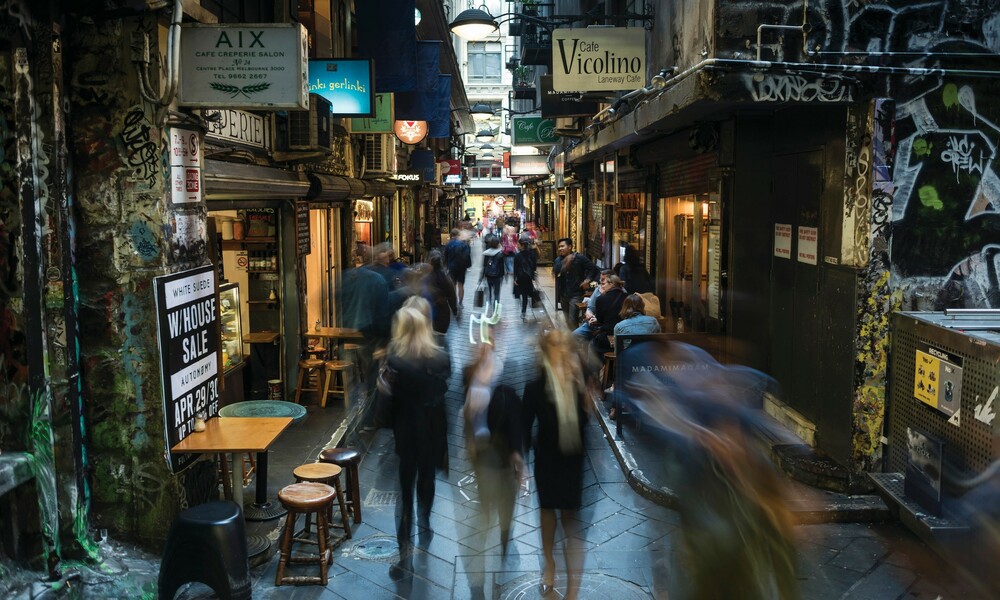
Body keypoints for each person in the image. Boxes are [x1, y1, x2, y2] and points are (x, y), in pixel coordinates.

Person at [522, 328, 590, 600]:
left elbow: (584, 421)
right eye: (557, 345)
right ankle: (549, 562)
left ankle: (572, 591)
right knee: (548, 511)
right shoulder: (536, 386)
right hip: (548, 457)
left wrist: (586, 401)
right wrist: (520, 461)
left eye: (566, 345)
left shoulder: (578, 378)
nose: (563, 350)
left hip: (573, 456)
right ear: (547, 351)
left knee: (570, 517)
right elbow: (525, 426)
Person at [385, 305, 450, 580]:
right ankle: (425, 520)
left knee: (405, 490)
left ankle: (404, 556)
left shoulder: (395, 360)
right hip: (433, 430)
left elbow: (387, 406)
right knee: (427, 480)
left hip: (406, 431)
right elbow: (445, 389)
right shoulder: (440, 357)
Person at [553, 238, 598, 327]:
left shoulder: (579, 258)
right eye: (559, 247)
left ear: (569, 247)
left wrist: (587, 280)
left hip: (576, 294)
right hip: (563, 294)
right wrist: (565, 262)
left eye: (562, 246)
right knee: (567, 321)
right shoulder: (558, 260)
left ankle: (575, 339)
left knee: (572, 320)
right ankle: (574, 338)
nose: (560, 249)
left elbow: (593, 268)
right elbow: (556, 272)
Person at [421, 250, 459, 335]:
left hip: (427, 313)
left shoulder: (425, 277)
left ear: (429, 261)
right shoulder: (445, 277)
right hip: (442, 314)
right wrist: (454, 310)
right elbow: (452, 295)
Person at [590, 275, 627, 355]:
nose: (601, 286)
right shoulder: (627, 297)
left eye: (603, 284)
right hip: (626, 334)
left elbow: (600, 320)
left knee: (592, 345)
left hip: (608, 336)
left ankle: (598, 367)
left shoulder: (601, 299)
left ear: (611, 284)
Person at [572, 269, 612, 341]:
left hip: (607, 326)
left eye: (603, 280)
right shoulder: (598, 289)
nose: (601, 281)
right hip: (592, 324)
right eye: (600, 279)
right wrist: (588, 312)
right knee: (573, 336)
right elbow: (590, 306)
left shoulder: (620, 293)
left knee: (594, 343)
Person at [443, 229, 472, 309]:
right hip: (462, 267)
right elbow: (467, 255)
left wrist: (446, 265)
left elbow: (445, 256)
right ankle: (460, 302)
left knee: (453, 284)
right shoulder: (464, 244)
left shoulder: (448, 244)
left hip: (452, 266)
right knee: (461, 285)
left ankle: (453, 301)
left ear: (451, 235)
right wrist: (467, 265)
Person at [512, 234, 538, 320]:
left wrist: (515, 278)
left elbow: (515, 268)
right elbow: (534, 267)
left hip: (521, 278)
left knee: (524, 296)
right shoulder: (532, 255)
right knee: (529, 293)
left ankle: (523, 311)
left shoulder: (517, 256)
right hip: (529, 277)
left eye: (518, 244)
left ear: (522, 245)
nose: (517, 245)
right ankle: (532, 306)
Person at [480, 234, 505, 314]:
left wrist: (482, 276)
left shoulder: (486, 253)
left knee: (489, 293)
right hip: (497, 276)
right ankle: (495, 310)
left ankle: (489, 307)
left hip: (488, 275)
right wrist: (503, 276)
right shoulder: (501, 254)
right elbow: (502, 267)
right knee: (497, 293)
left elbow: (484, 265)